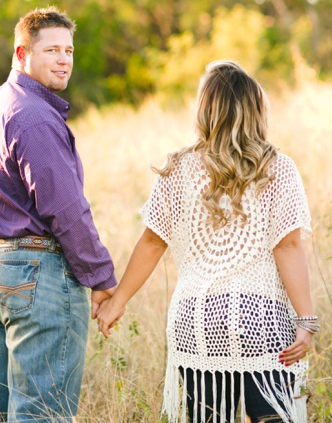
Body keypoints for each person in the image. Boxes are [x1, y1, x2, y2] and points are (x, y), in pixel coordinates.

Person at [95, 60, 316, 423]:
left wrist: (118, 301)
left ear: (204, 111)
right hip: (261, 321)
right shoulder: (278, 167)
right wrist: (306, 320)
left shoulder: (176, 168)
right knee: (273, 418)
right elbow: (287, 246)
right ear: (257, 110)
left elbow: (152, 243)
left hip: (197, 321)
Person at [0, 6, 117, 422]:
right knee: (42, 413)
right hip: (36, 273)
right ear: (22, 53)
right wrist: (100, 277)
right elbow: (66, 209)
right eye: (51, 50)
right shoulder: (33, 116)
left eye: (68, 50)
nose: (64, 59)